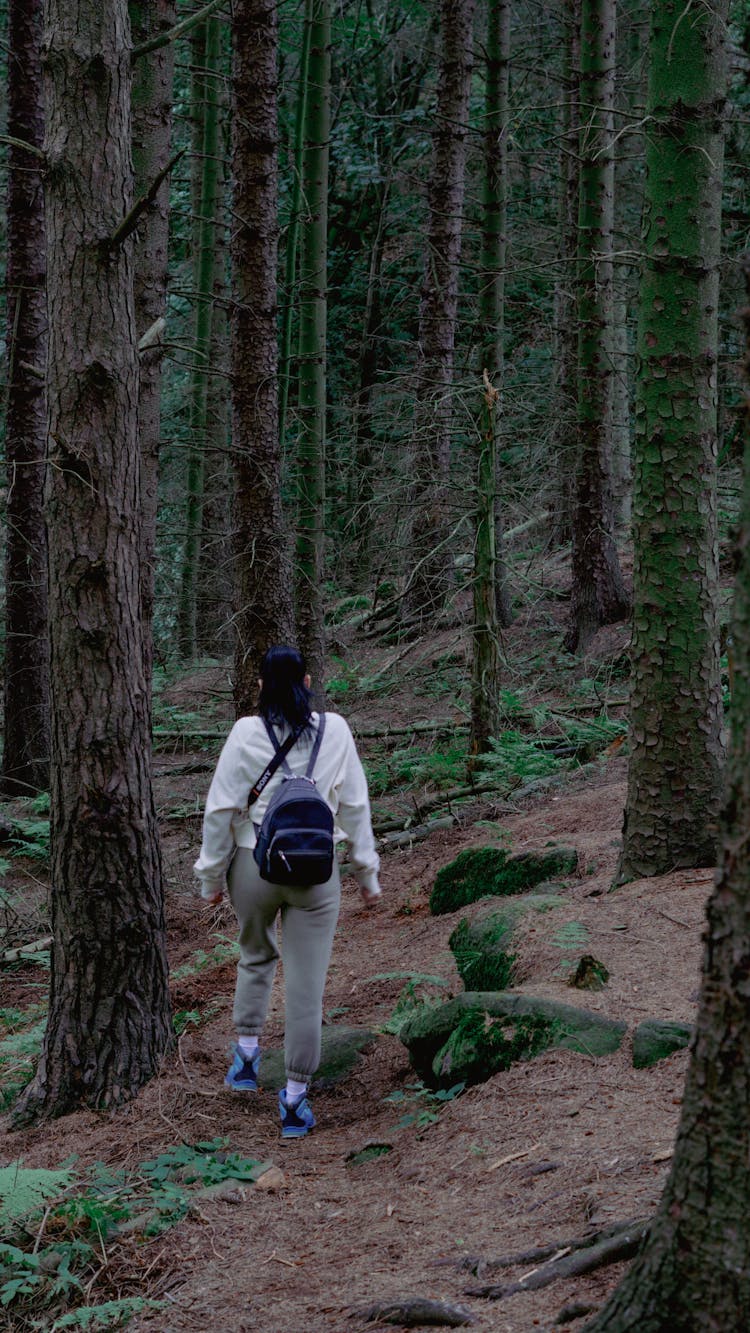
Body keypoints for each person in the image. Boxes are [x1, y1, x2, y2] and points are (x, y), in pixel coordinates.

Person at [194, 644, 381, 1138]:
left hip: (254, 867)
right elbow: (355, 807)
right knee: (306, 989)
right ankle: (295, 1101)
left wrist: (210, 878)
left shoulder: (245, 732)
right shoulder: (336, 729)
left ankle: (247, 1058)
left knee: (255, 954)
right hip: (317, 875)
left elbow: (219, 811)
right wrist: (367, 874)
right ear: (307, 681)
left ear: (260, 685)